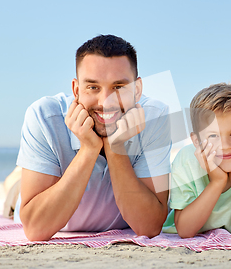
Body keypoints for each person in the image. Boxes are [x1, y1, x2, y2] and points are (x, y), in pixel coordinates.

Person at [14, 34, 171, 241]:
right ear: (76, 90)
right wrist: (88, 150)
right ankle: (13, 185)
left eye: (119, 87)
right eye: (93, 87)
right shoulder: (43, 116)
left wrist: (116, 148)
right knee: (14, 191)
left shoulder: (155, 117)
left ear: (137, 90)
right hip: (32, 199)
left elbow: (150, 226)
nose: (106, 102)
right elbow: (36, 229)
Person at [162, 83, 231, 240]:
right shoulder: (186, 161)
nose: (225, 146)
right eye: (213, 136)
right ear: (196, 140)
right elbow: (185, 231)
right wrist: (217, 182)